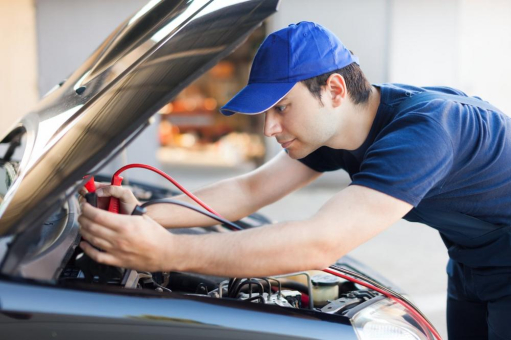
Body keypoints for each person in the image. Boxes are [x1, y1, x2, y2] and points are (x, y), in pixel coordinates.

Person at [79, 22, 511, 339]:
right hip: (472, 263)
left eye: (282, 107)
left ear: (335, 90)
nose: (269, 128)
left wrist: (167, 252)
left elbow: (318, 242)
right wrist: (143, 215)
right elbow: (247, 190)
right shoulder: (341, 126)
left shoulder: (425, 132)